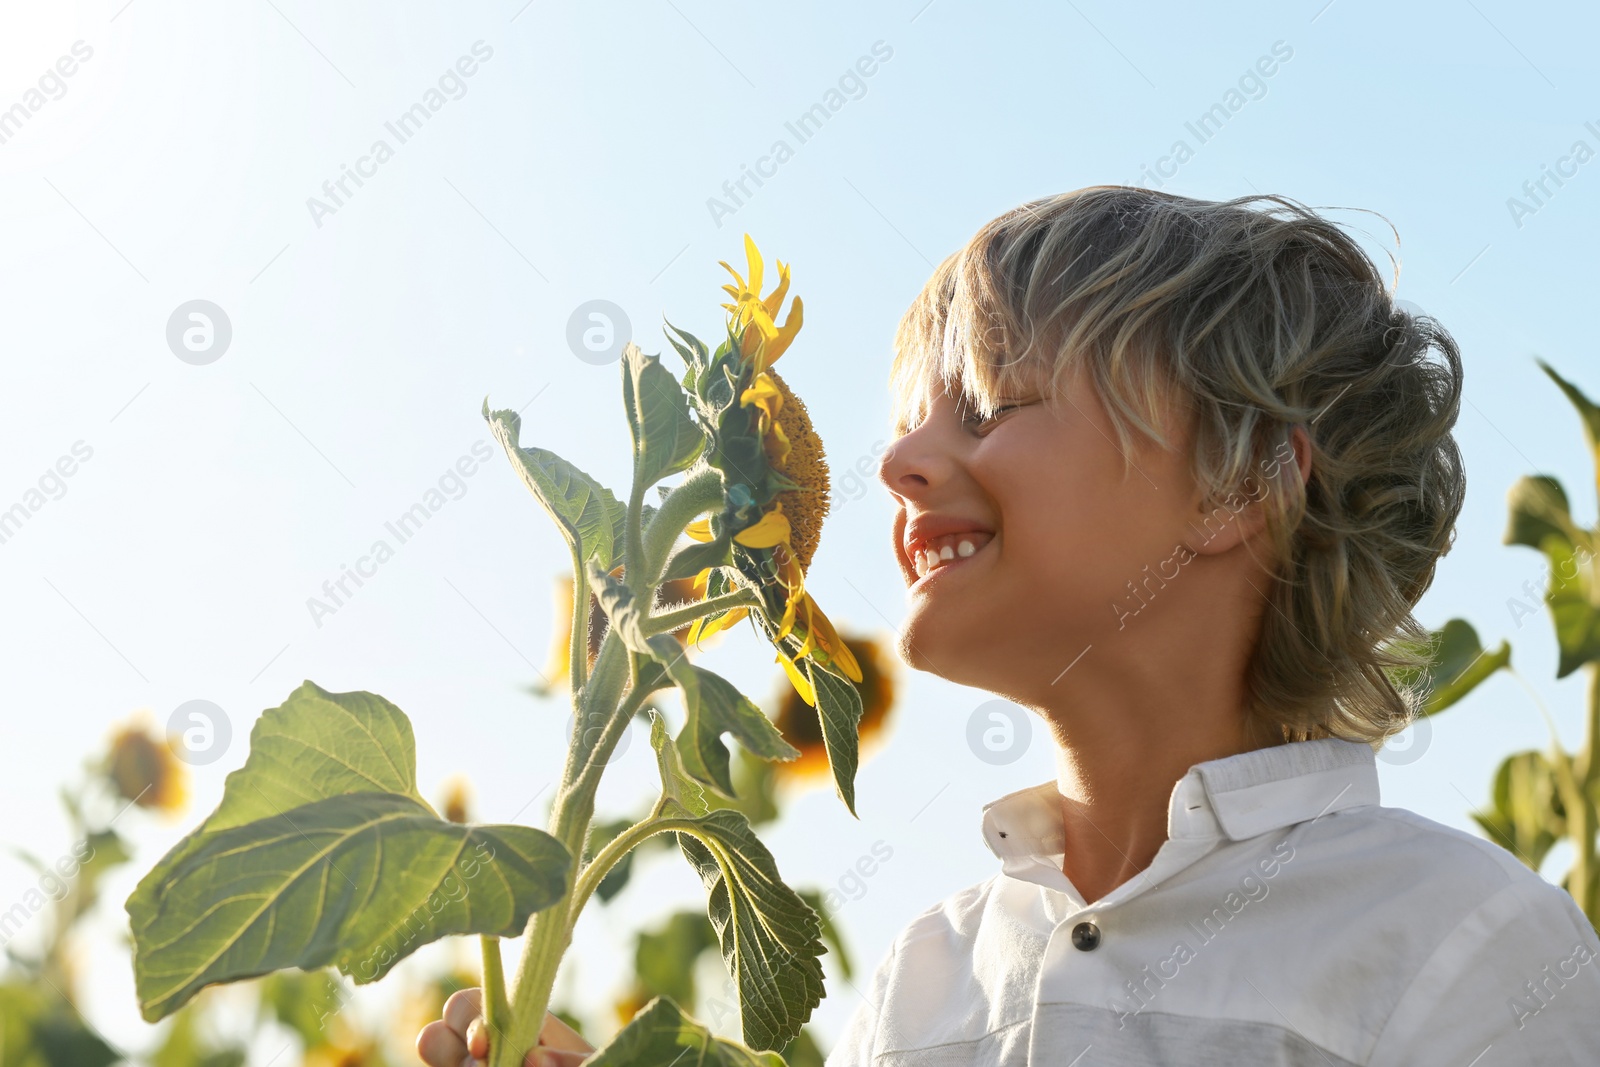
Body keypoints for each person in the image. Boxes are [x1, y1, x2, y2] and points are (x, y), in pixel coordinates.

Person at [420, 187, 1600, 1066]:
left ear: (1239, 484)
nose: (895, 463)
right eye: (908, 423)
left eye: (991, 406)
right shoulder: (928, 980)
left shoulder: (1463, 948)